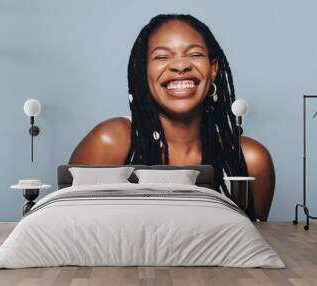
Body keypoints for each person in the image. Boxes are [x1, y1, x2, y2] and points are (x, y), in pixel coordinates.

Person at [69, 14, 275, 221]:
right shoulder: (112, 140)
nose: (180, 66)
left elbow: (254, 240)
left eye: (194, 54)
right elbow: (67, 228)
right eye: (162, 56)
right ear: (143, 72)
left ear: (213, 69)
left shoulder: (250, 159)